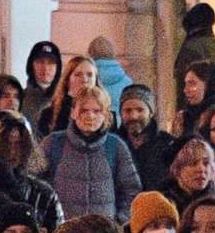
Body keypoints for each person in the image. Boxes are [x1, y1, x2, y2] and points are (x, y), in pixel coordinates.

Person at [37, 86, 141, 224]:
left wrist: (119, 223)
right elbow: (34, 183)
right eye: (84, 110)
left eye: (97, 111)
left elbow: (131, 189)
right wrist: (45, 220)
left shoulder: (115, 146)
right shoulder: (53, 143)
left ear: (105, 114)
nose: (90, 116)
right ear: (73, 112)